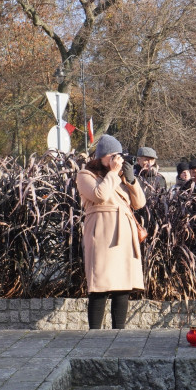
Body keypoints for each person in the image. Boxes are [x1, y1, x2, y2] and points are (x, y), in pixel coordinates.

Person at [75, 134, 147, 329]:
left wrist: (131, 180)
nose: (117, 160)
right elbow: (100, 195)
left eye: (119, 155)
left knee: (122, 288)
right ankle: (95, 336)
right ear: (102, 156)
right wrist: (114, 173)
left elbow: (139, 203)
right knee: (99, 287)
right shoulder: (85, 176)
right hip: (102, 236)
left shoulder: (121, 176)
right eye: (113, 156)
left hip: (124, 237)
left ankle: (119, 334)